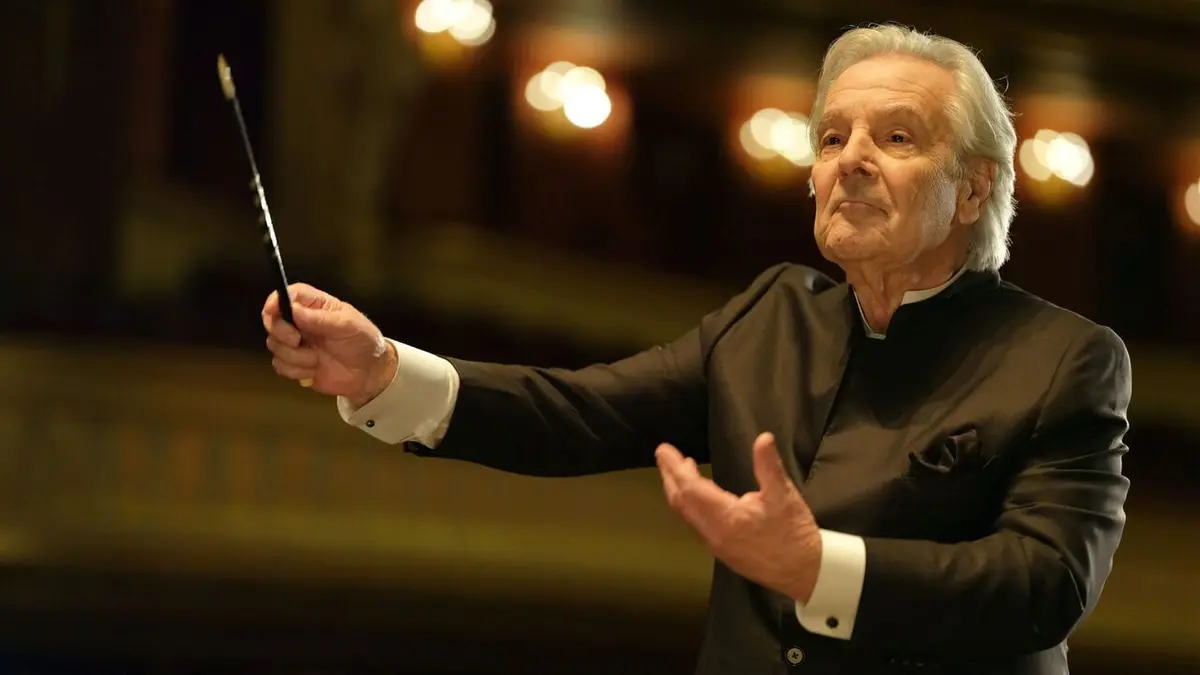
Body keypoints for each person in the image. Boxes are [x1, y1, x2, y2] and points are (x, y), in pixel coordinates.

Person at [262, 24, 1131, 675]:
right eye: (832, 137)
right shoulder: (773, 314)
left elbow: (1045, 582)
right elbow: (580, 412)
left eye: (896, 138)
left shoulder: (1065, 356)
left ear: (974, 189)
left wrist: (818, 567)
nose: (850, 161)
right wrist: (384, 372)